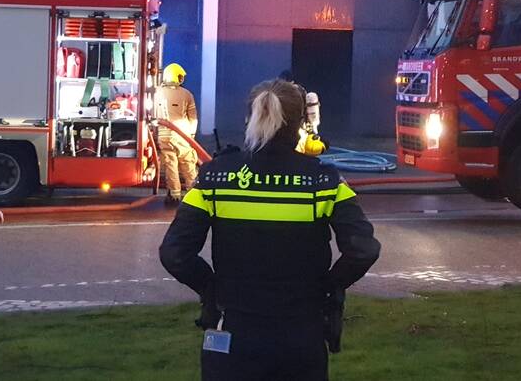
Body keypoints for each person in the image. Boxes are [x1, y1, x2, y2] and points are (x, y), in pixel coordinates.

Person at [159, 79, 380, 381]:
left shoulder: (215, 177)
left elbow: (174, 253)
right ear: (300, 124)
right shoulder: (322, 180)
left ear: (249, 119)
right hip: (302, 335)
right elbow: (363, 249)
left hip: (233, 331)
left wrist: (211, 288)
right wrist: (329, 286)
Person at [155, 63, 199, 206]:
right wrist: (191, 135)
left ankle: (174, 195)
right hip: (182, 135)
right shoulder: (187, 94)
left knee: (170, 165)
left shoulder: (157, 92)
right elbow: (193, 118)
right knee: (188, 163)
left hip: (163, 135)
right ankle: (194, 194)